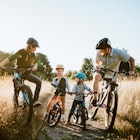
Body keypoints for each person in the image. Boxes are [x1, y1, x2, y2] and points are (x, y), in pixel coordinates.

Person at [92, 37, 135, 106]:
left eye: (102, 50)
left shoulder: (118, 52)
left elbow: (131, 59)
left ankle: (108, 110)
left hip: (112, 74)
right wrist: (96, 65)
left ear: (107, 49)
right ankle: (95, 98)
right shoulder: (99, 52)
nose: (100, 52)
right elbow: (95, 62)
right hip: (102, 71)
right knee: (96, 76)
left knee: (111, 91)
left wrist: (132, 71)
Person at [0, 37, 42, 106]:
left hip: (27, 73)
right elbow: (10, 58)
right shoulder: (21, 52)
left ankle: (34, 101)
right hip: (18, 73)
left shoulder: (32, 54)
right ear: (30, 46)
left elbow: (35, 62)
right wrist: (1, 64)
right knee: (17, 90)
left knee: (39, 82)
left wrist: (35, 66)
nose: (35, 49)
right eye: (35, 47)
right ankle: (15, 106)